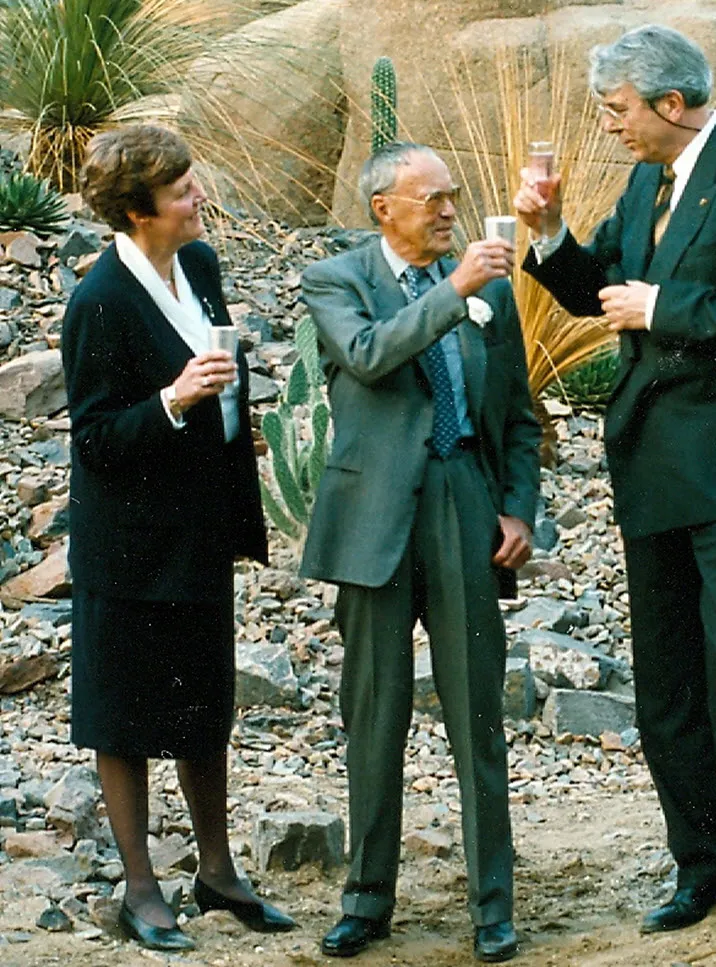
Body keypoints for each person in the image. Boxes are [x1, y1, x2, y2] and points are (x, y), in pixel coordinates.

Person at [514, 24, 716, 934]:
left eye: (617, 110)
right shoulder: (646, 178)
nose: (609, 126)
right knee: (666, 676)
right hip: (652, 457)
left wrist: (663, 306)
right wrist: (550, 234)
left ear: (673, 103)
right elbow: (597, 289)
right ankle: (705, 861)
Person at [300, 141, 540, 963]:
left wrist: (518, 507)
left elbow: (518, 415)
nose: (448, 211)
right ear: (383, 209)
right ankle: (366, 900)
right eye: (432, 198)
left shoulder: (488, 287)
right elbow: (369, 355)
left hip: (463, 499)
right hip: (372, 514)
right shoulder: (336, 279)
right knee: (374, 712)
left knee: (477, 712)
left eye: (453, 196)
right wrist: (454, 292)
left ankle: (494, 906)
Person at [61, 124, 296, 952]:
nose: (199, 196)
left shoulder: (198, 265)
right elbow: (94, 438)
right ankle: (141, 887)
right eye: (182, 189)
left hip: (199, 528)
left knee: (205, 701)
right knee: (122, 711)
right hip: (127, 543)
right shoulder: (98, 302)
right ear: (138, 210)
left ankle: (218, 870)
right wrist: (174, 399)